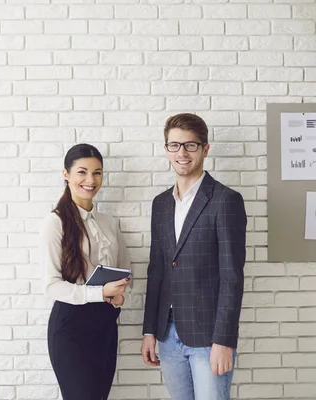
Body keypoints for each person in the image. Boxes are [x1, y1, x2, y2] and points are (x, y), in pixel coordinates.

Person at [141, 113, 247, 400]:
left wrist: (224, 340)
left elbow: (232, 277)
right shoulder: (160, 204)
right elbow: (157, 270)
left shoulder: (226, 201)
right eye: (174, 146)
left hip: (209, 338)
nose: (182, 153)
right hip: (167, 334)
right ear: (166, 150)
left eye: (190, 145)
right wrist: (149, 330)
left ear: (205, 149)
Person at [40, 143, 132, 400]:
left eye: (97, 173)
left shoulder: (109, 223)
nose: (90, 180)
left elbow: (126, 271)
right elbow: (51, 286)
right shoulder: (55, 222)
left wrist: (122, 295)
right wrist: (99, 291)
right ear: (66, 174)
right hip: (71, 327)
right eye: (82, 172)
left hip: (105, 325)